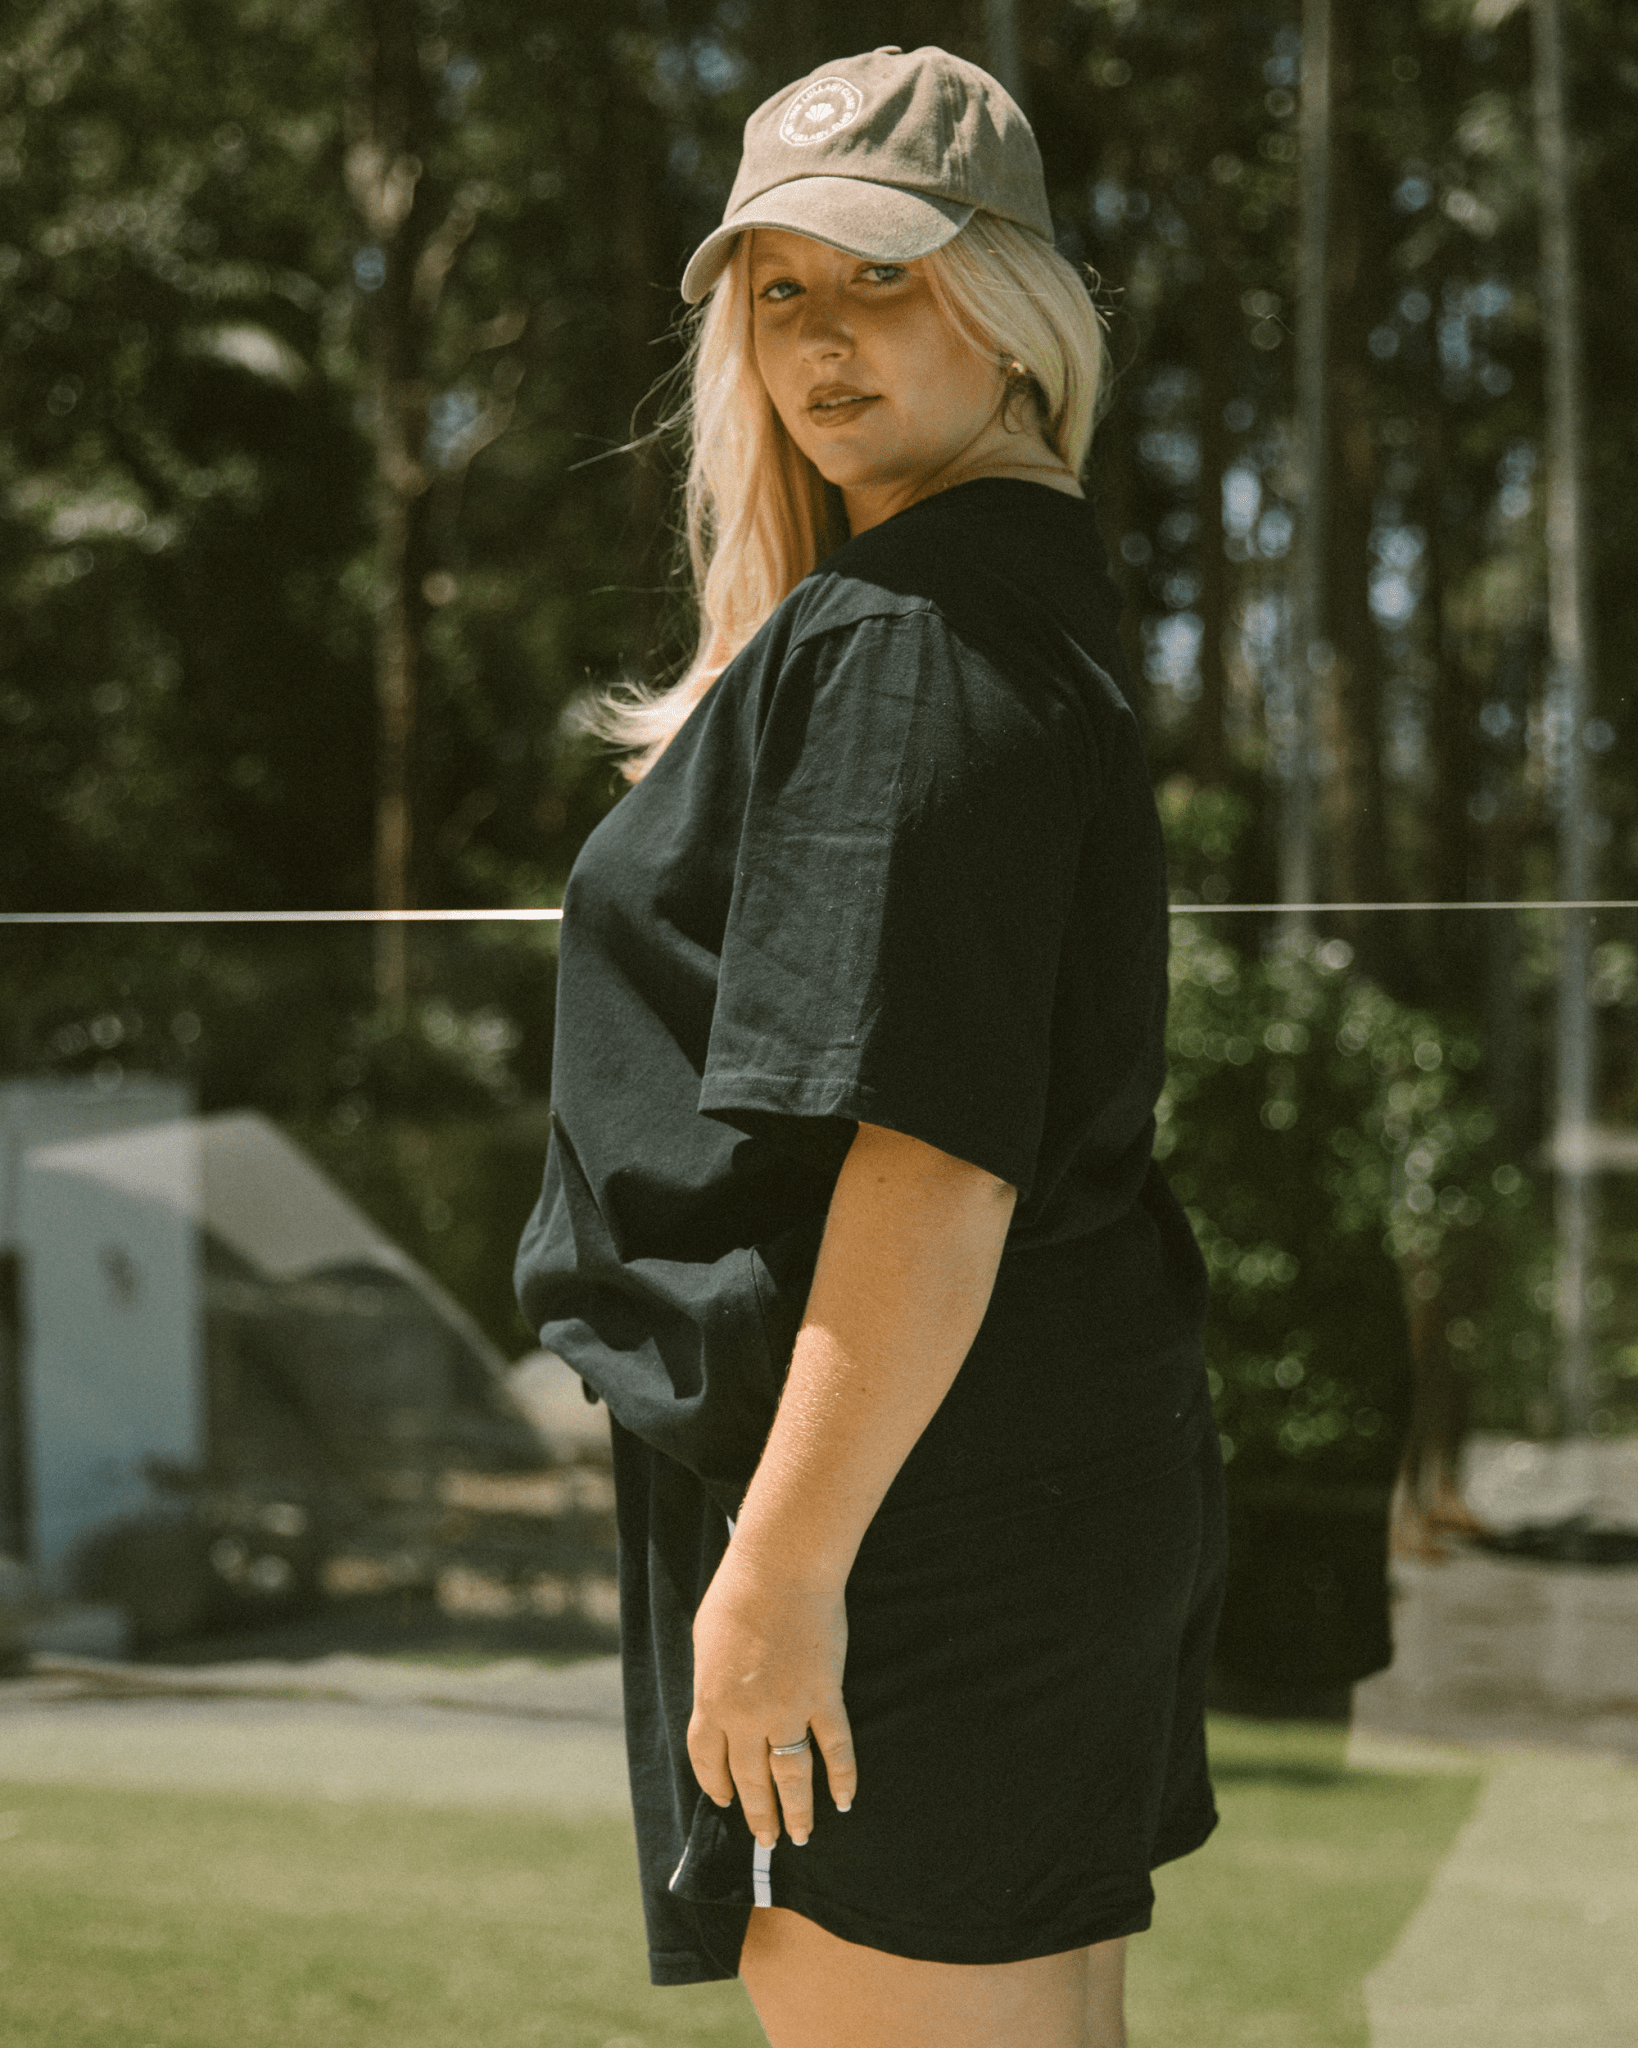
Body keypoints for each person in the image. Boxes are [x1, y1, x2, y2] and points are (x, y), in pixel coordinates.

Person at [515, 44, 1223, 2048]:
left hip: (905, 1520)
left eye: (883, 279)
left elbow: (930, 1153)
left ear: (1006, 302)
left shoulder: (911, 632)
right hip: (1005, 1480)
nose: (822, 340)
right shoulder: (1013, 593)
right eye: (780, 291)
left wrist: (782, 1570)